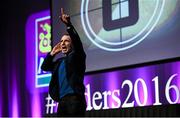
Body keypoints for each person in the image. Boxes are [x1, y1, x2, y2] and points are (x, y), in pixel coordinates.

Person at [41, 8, 87, 116]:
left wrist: (69, 25)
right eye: (61, 41)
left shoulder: (77, 56)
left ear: (72, 44)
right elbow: (44, 67)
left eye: (66, 41)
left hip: (75, 100)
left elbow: (78, 42)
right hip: (61, 102)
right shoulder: (59, 62)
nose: (63, 43)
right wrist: (52, 53)